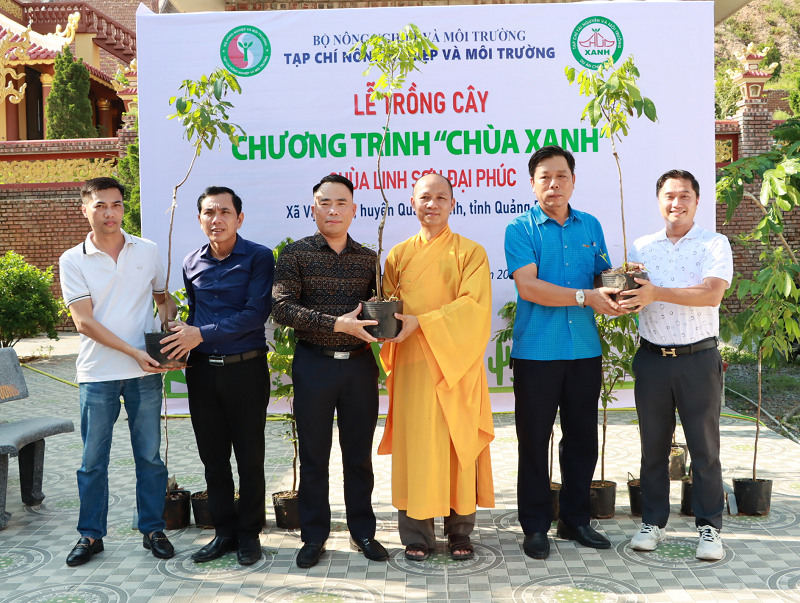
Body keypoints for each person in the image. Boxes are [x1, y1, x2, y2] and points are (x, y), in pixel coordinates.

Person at [503, 146, 626, 560]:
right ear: (532, 182)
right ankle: (535, 525)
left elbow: (602, 276)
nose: (553, 184)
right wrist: (585, 295)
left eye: (561, 176)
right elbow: (529, 287)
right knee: (534, 441)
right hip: (538, 351)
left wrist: (625, 280)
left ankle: (575, 520)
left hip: (584, 350)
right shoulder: (520, 228)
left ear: (573, 180)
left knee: (581, 440)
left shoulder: (589, 225)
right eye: (544, 177)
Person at [271, 174, 388, 569]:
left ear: (354, 210)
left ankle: (363, 531)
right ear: (313, 208)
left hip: (358, 368)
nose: (333, 210)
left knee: (358, 456)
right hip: (314, 365)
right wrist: (337, 323)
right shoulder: (295, 254)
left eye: (341, 203)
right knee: (314, 457)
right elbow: (282, 308)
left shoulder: (369, 259)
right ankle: (314, 535)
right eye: (325, 203)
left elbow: (377, 309)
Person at [59, 177, 176, 566]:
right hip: (97, 374)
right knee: (93, 461)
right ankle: (90, 536)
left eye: (117, 205)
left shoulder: (147, 250)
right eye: (100, 206)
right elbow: (84, 323)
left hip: (146, 374)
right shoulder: (72, 259)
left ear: (124, 208)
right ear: (85, 210)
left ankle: (152, 528)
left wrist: (168, 324)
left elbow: (163, 297)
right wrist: (133, 352)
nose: (110, 213)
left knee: (150, 457)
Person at [378, 172, 495, 561]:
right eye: (424, 197)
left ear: (452, 203)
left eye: (440, 197)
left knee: (456, 443)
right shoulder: (397, 255)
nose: (432, 204)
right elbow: (390, 309)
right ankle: (416, 533)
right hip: (412, 365)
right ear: (412, 202)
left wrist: (423, 321)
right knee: (418, 448)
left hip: (456, 365)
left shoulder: (470, 252)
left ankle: (460, 531)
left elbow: (474, 309)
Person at [618, 169, 732, 561]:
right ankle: (652, 523)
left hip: (698, 359)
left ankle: (710, 528)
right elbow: (636, 299)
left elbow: (711, 294)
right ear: (659, 201)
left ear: (697, 201)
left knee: (704, 450)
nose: (676, 203)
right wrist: (625, 296)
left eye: (684, 196)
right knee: (652, 449)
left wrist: (656, 292)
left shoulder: (714, 244)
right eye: (669, 195)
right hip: (651, 360)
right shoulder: (644, 247)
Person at [160, 186, 274, 566]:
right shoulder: (192, 262)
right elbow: (194, 316)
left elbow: (255, 314)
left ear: (239, 218)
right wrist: (178, 336)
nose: (217, 219)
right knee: (213, 458)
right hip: (203, 373)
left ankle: (249, 534)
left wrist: (200, 333)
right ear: (200, 219)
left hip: (246, 369)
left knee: (249, 457)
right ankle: (224, 532)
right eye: (209, 212)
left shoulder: (259, 257)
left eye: (224, 211)